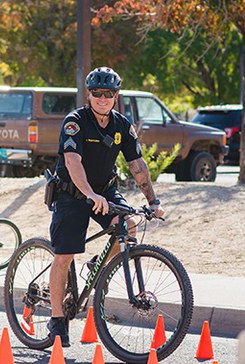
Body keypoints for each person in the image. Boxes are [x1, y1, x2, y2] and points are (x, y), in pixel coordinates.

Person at [46, 67, 165, 346]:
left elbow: (137, 164)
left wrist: (153, 201)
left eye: (108, 94)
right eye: (97, 93)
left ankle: (97, 265)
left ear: (116, 96)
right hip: (72, 193)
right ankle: (57, 319)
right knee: (64, 255)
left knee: (129, 226)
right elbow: (73, 161)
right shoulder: (75, 122)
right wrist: (89, 194)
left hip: (104, 191)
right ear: (89, 94)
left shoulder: (122, 125)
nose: (102, 98)